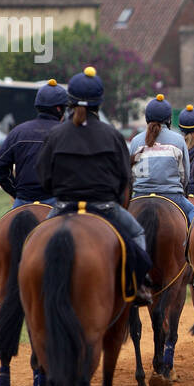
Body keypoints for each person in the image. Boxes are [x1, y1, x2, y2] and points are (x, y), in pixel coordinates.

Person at [38, 66, 154, 305]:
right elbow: (124, 178)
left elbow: (44, 177)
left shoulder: (56, 135)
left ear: (69, 103)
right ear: (99, 103)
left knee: (34, 241)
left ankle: (24, 289)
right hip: (104, 207)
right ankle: (139, 284)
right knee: (138, 233)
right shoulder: (112, 135)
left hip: (63, 206)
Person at [0, 78, 67, 207]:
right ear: (59, 109)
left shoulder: (18, 132)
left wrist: (17, 193)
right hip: (56, 203)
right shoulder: (67, 134)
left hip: (23, 201)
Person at [129, 94, 194, 225]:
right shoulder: (178, 140)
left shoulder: (135, 141)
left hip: (140, 195)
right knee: (193, 212)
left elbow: (130, 173)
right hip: (171, 196)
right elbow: (185, 176)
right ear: (169, 119)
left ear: (147, 117)